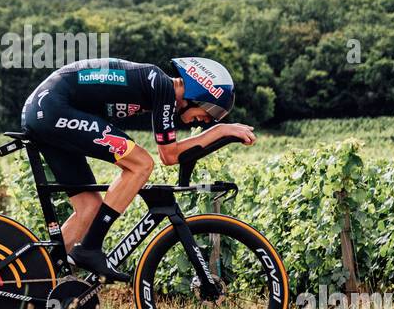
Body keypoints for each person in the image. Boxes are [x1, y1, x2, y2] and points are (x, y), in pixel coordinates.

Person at [19, 56, 255, 282]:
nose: (207, 120)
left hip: (47, 110)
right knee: (141, 163)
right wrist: (221, 131)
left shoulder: (154, 85)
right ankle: (90, 248)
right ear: (200, 95)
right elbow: (169, 155)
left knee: (89, 208)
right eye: (212, 112)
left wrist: (219, 131)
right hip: (52, 107)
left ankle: (34, 283)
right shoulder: (162, 85)